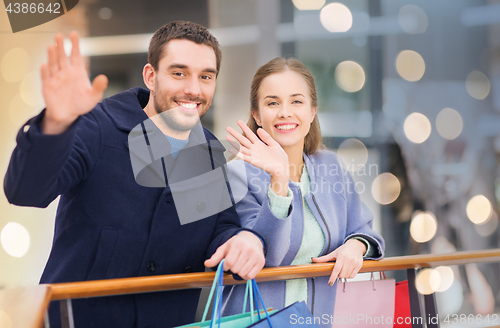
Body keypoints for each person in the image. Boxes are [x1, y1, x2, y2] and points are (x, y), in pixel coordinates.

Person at [3, 21, 265, 328]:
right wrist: (55, 125)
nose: (194, 89)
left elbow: (218, 231)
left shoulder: (206, 151)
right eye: (179, 73)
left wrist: (245, 238)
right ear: (151, 76)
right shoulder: (96, 127)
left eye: (206, 76)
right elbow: (26, 191)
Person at [221, 57, 384, 325]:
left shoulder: (329, 165)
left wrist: (355, 247)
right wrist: (280, 178)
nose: (285, 112)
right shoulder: (237, 175)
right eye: (272, 102)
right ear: (257, 115)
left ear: (312, 111)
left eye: (296, 101)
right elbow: (270, 254)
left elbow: (365, 229)